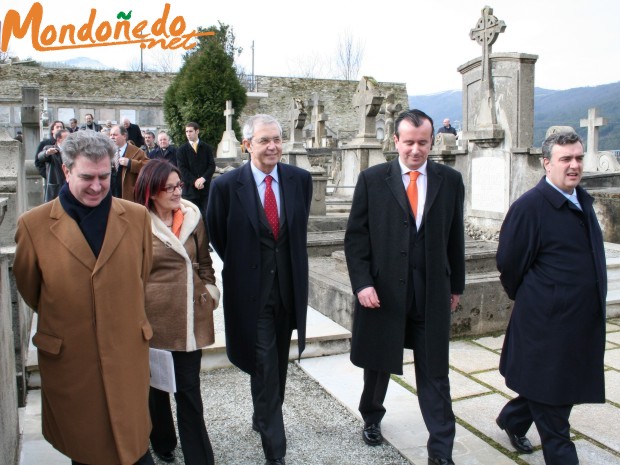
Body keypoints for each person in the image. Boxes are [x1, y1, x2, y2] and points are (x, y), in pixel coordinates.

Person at [13, 130, 155, 465]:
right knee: (86, 449)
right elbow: (32, 289)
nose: (96, 186)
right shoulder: (33, 226)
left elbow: (141, 275)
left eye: (104, 176)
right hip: (73, 362)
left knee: (133, 447)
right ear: (66, 171)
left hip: (125, 356)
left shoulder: (136, 218)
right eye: (86, 177)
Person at [344, 109, 465, 465]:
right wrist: (362, 283)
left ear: (432, 142)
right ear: (395, 141)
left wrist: (456, 284)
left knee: (435, 373)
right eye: (409, 142)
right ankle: (371, 416)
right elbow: (356, 238)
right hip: (383, 293)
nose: (416, 150)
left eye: (423, 143)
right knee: (378, 365)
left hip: (431, 295)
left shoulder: (450, 180)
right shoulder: (372, 179)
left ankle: (441, 452)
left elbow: (454, 237)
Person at [207, 114, 312, 465]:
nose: (273, 147)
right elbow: (219, 236)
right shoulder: (226, 187)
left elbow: (294, 233)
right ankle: (274, 450)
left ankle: (261, 415)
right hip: (252, 293)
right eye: (265, 140)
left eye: (277, 140)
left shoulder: (300, 180)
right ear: (247, 145)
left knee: (278, 362)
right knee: (266, 366)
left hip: (288, 290)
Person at [495, 131, 606, 465]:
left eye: (578, 158)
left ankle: (513, 420)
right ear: (546, 164)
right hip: (545, 327)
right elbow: (509, 264)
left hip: (579, 323)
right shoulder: (530, 207)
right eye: (565, 159)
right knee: (555, 411)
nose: (574, 166)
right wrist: (539, 299)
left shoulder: (581, 200)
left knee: (554, 387)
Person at [134, 159, 219, 465]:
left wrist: (210, 290)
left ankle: (200, 458)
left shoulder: (193, 215)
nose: (175, 192)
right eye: (167, 187)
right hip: (153, 319)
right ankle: (163, 442)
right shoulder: (136, 222)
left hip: (190, 318)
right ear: (151, 191)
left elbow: (206, 261)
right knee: (156, 389)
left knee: (189, 392)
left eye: (178, 185)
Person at [177, 122, 215, 227]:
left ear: (197, 131)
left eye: (190, 131)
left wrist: (203, 179)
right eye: (186, 131)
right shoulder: (181, 150)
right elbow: (182, 169)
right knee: (192, 219)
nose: (188, 134)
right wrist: (195, 181)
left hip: (205, 190)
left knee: (208, 216)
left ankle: (209, 241)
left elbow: (211, 165)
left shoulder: (206, 148)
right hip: (190, 191)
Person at [109, 124, 149, 201]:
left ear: (124, 136)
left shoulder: (137, 151)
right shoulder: (107, 151)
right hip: (110, 196)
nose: (112, 137)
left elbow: (148, 166)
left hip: (128, 196)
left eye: (115, 135)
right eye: (110, 135)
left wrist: (130, 163)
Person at [35, 128, 69, 201]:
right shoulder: (49, 148)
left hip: (68, 184)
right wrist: (47, 153)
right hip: (56, 185)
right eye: (67, 138)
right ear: (59, 139)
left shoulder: (71, 150)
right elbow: (40, 156)